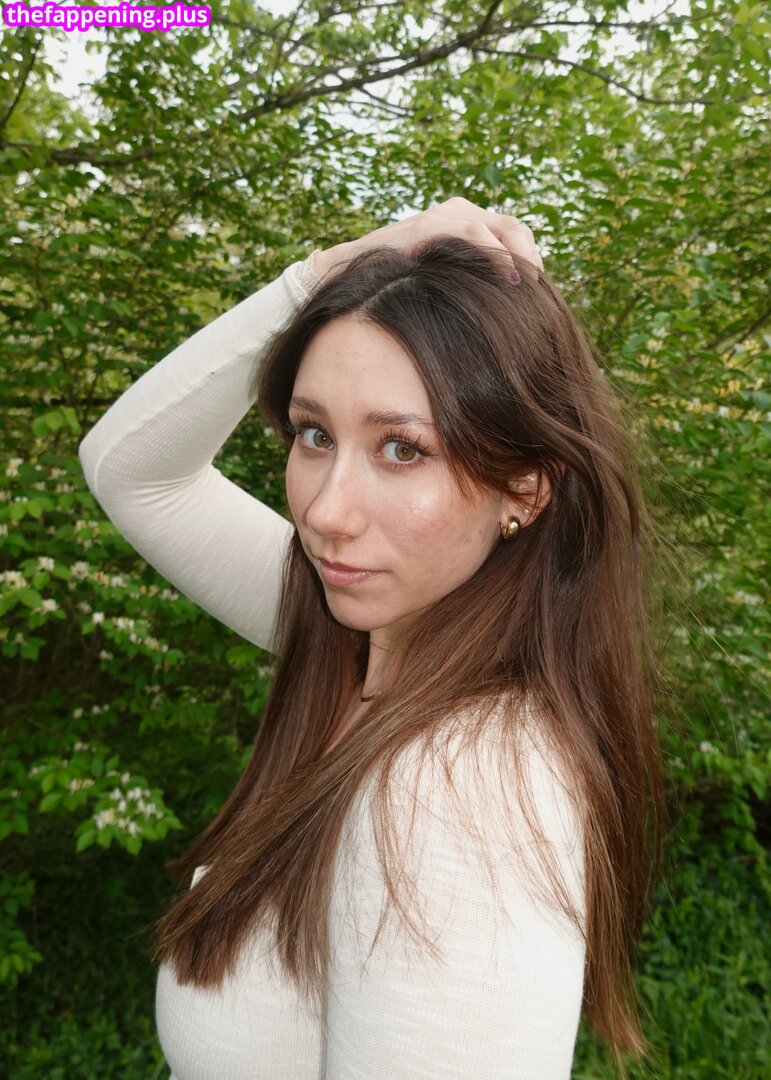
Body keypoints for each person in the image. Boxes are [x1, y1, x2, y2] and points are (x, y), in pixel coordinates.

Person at [78, 197, 664, 1079]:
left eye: (402, 449)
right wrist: (333, 272)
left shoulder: (457, 788)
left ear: (526, 489)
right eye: (315, 434)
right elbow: (130, 469)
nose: (325, 511)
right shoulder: (363, 634)